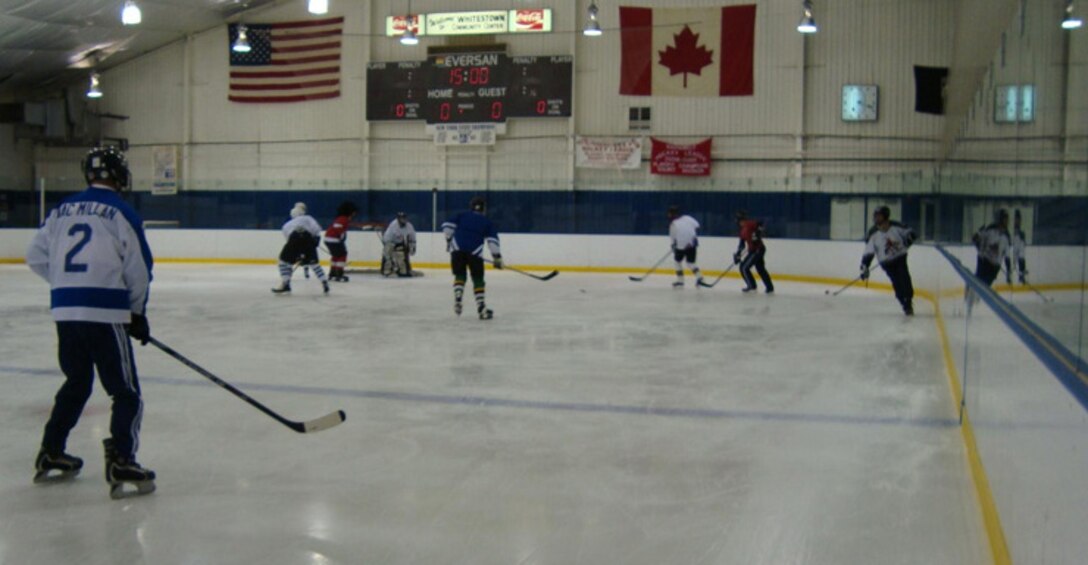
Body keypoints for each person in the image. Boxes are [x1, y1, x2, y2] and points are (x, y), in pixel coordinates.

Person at [24, 146, 157, 498]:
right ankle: (122, 460)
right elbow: (139, 269)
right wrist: (137, 312)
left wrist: (68, 287)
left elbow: (34, 256)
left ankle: (51, 451)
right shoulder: (120, 211)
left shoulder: (60, 210)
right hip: (105, 313)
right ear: (119, 175)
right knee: (125, 392)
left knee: (77, 383)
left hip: (66, 312)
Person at [442, 196, 502, 319]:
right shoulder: (486, 222)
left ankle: (458, 298)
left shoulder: (461, 215)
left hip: (457, 250)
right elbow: (492, 242)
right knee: (478, 278)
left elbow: (447, 227)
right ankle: (481, 308)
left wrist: (449, 240)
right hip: (475, 253)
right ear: (483, 209)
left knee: (460, 275)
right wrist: (497, 258)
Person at [860, 206, 916, 315]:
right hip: (887, 263)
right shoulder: (873, 233)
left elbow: (911, 233)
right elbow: (868, 252)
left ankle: (908, 301)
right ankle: (902, 301)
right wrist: (864, 266)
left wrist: (909, 239)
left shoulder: (896, 226)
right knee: (896, 282)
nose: (876, 219)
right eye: (875, 216)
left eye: (879, 216)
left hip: (900, 258)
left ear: (885, 216)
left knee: (904, 277)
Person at [272, 202, 329, 294]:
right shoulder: (308, 218)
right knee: (314, 263)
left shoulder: (286, 225)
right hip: (308, 239)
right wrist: (314, 242)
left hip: (294, 239)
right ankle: (324, 281)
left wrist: (298, 254)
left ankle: (285, 283)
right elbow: (317, 230)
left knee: (283, 261)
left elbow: (289, 241)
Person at [733, 210, 774, 293]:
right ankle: (769, 287)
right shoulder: (742, 231)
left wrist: (757, 234)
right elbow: (742, 245)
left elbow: (761, 224)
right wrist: (738, 254)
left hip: (758, 249)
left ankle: (752, 286)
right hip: (753, 250)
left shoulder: (750, 224)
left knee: (744, 267)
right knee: (760, 268)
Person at [972, 208, 1011, 288]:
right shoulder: (990, 229)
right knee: (977, 285)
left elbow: (1007, 256)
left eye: (1007, 219)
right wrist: (978, 245)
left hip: (994, 268)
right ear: (1000, 219)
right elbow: (975, 239)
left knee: (984, 287)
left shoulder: (1007, 237)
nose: (1007, 221)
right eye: (1005, 218)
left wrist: (1008, 272)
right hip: (984, 262)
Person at [667, 206, 704, 288]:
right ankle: (700, 277)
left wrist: (673, 246)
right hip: (692, 244)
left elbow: (673, 238)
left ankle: (680, 281)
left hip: (681, 246)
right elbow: (697, 226)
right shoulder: (687, 217)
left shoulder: (673, 224)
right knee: (691, 263)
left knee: (677, 262)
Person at [324, 201, 358, 282]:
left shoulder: (341, 218)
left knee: (336, 255)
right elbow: (338, 227)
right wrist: (341, 236)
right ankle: (339, 273)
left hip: (328, 238)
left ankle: (332, 273)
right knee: (342, 255)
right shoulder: (343, 218)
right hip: (334, 239)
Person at [382, 212, 417, 277]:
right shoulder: (393, 225)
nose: (403, 220)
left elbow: (412, 238)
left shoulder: (409, 226)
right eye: (401, 218)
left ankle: (403, 270)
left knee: (401, 255)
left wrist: (412, 247)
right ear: (398, 219)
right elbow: (387, 238)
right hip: (389, 241)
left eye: (404, 218)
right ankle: (387, 271)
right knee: (388, 255)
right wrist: (390, 247)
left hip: (399, 242)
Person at [1006, 209, 1028, 285]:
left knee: (1021, 258)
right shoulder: (1011, 232)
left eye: (1018, 219)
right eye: (1016, 219)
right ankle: (1009, 276)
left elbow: (1022, 251)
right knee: (1011, 260)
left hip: (1017, 243)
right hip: (1013, 245)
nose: (1017, 221)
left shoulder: (1021, 234)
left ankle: (1021, 276)